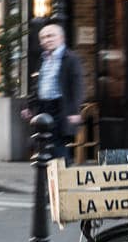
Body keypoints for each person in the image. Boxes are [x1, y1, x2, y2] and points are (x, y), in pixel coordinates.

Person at [22, 22, 84, 163]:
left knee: (58, 147)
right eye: (43, 37)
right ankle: (49, 181)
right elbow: (36, 85)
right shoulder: (43, 58)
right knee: (44, 146)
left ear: (61, 38)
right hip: (43, 107)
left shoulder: (71, 58)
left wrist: (75, 111)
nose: (46, 40)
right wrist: (29, 107)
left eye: (50, 36)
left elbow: (77, 86)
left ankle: (62, 180)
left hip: (60, 107)